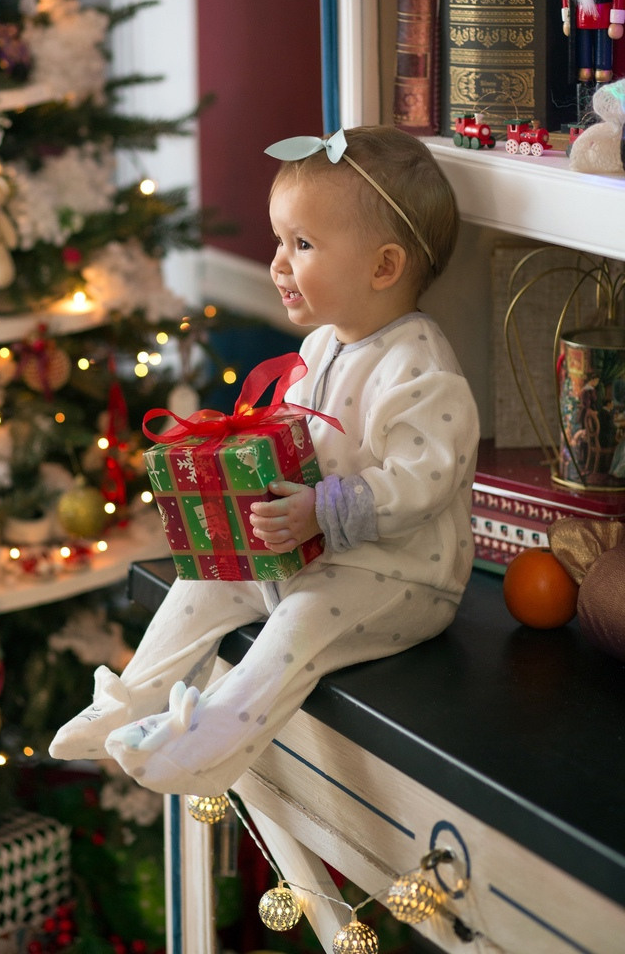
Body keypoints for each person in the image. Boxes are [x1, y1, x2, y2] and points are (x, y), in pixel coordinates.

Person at [49, 126, 480, 796]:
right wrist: (246, 457)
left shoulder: (417, 365)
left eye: (301, 245)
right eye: (281, 241)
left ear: (384, 267)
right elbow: (304, 438)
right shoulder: (319, 348)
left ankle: (204, 743)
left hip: (399, 575)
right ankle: (132, 697)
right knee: (208, 577)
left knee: (299, 624)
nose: (277, 262)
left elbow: (422, 478)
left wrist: (321, 510)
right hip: (316, 551)